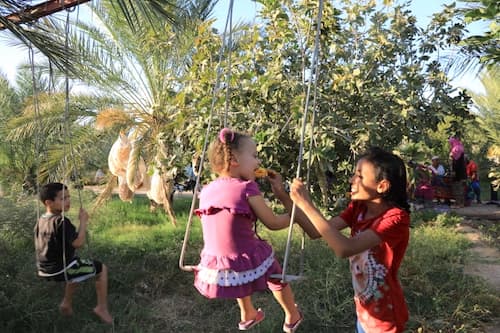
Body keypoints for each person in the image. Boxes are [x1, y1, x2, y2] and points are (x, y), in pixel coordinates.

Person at [288, 147, 411, 332]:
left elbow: (344, 249)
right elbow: (316, 231)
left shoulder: (396, 218)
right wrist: (286, 197)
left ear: (382, 186)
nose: (351, 180)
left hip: (386, 317)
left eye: (359, 176)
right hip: (364, 312)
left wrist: (307, 203)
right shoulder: (358, 209)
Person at [193, 128, 303, 332]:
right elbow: (273, 223)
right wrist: (297, 216)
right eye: (254, 156)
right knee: (274, 273)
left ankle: (247, 313)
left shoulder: (206, 190)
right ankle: (291, 314)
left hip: (217, 263)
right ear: (234, 159)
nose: (258, 162)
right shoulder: (246, 188)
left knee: (237, 268)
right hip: (244, 257)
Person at [34, 182, 113, 324]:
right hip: (61, 269)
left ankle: (66, 303)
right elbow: (79, 243)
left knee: (76, 264)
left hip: (44, 270)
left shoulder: (41, 220)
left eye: (69, 197)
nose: (68, 201)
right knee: (101, 269)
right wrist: (83, 222)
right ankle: (101, 307)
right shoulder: (61, 221)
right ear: (49, 203)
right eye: (63, 198)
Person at [448, 135, 467, 207]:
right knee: (461, 188)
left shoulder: (455, 150)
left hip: (457, 173)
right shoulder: (461, 148)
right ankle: (461, 203)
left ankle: (457, 204)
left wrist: (453, 171)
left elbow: (455, 163)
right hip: (463, 172)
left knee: (456, 188)